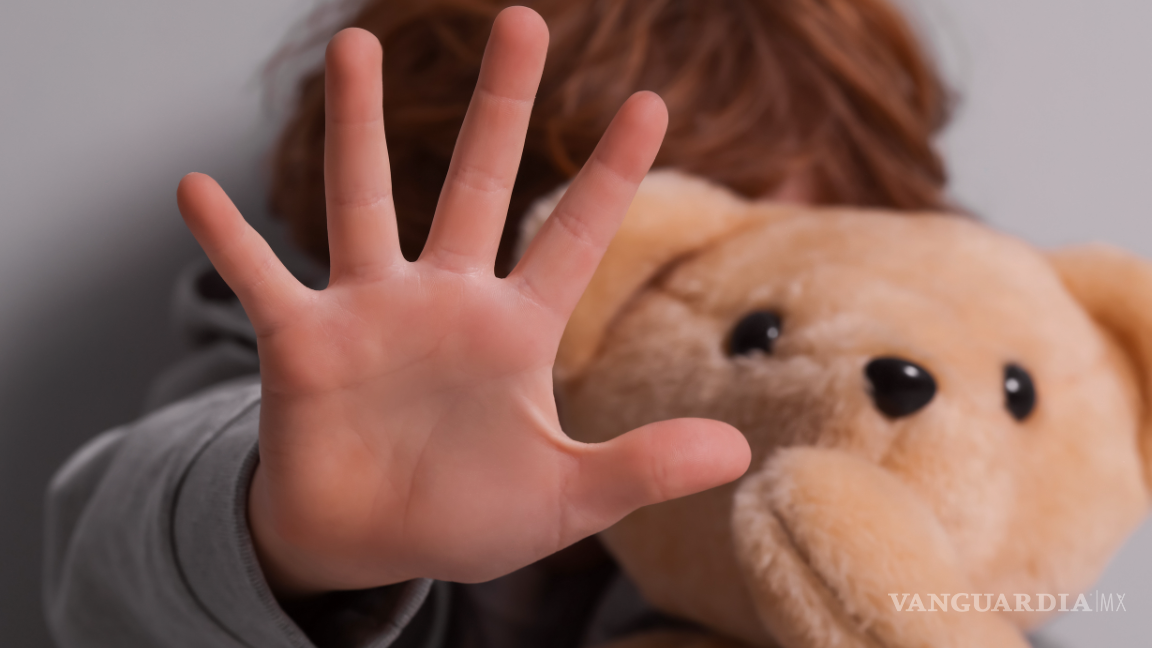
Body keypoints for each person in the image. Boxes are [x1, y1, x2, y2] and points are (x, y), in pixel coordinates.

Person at [44, 1, 952, 647]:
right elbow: (110, 561)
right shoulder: (304, 394)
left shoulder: (915, 419)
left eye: (771, 259)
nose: (727, 320)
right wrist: (282, 539)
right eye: (652, 268)